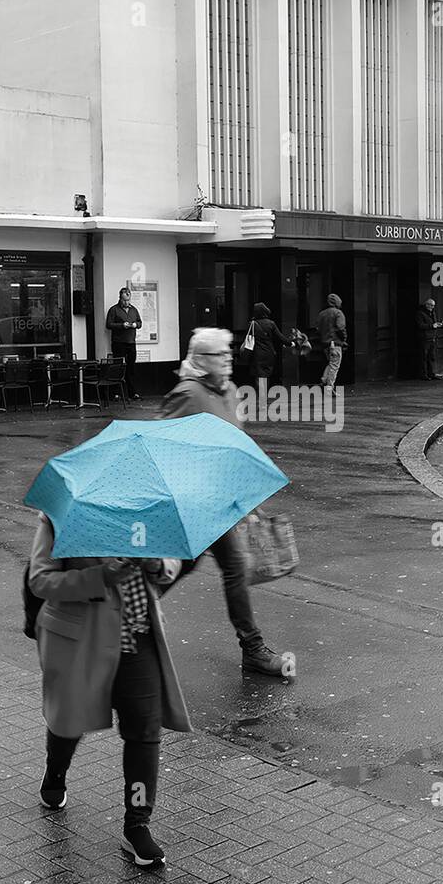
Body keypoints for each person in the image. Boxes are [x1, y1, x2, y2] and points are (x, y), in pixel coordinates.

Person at [28, 512, 189, 866]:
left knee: (144, 732)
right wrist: (101, 576)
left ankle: (137, 825)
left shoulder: (148, 513)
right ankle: (56, 771)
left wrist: (158, 563)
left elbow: (173, 563)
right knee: (70, 723)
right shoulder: (63, 514)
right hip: (80, 641)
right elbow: (41, 580)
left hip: (138, 639)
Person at [161, 327, 290, 679]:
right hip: (194, 505)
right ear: (201, 361)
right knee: (193, 566)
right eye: (220, 354)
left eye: (229, 352)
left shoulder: (230, 391)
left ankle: (253, 649)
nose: (228, 358)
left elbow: (236, 448)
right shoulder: (187, 394)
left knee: (222, 567)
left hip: (220, 504)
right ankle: (127, 615)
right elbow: (161, 448)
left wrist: (247, 498)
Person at [246, 302, 293, 392]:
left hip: (257, 354)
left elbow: (248, 340)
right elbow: (280, 337)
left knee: (259, 376)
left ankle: (262, 399)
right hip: (269, 353)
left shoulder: (252, 324)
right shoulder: (271, 324)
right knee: (266, 376)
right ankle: (264, 399)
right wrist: (291, 343)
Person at [105, 287, 142, 400]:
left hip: (131, 342)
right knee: (117, 367)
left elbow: (140, 323)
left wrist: (136, 324)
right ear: (120, 298)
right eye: (124, 300)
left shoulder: (134, 310)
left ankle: (132, 393)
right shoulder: (114, 310)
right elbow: (108, 324)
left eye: (128, 300)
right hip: (118, 342)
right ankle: (116, 393)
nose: (126, 302)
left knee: (131, 368)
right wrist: (122, 325)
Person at [316, 293, 347, 390]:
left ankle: (324, 380)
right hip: (335, 343)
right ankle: (329, 387)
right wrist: (344, 339)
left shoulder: (321, 314)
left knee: (330, 363)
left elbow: (318, 329)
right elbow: (340, 328)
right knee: (334, 365)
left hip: (325, 344)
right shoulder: (338, 313)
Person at [416, 299, 443, 380]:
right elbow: (420, 325)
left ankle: (431, 373)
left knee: (431, 357)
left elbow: (433, 324)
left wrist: (436, 324)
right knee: (424, 357)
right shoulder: (420, 313)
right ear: (427, 305)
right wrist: (432, 326)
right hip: (424, 338)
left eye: (433, 306)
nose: (432, 307)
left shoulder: (432, 313)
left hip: (432, 337)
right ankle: (423, 374)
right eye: (431, 305)